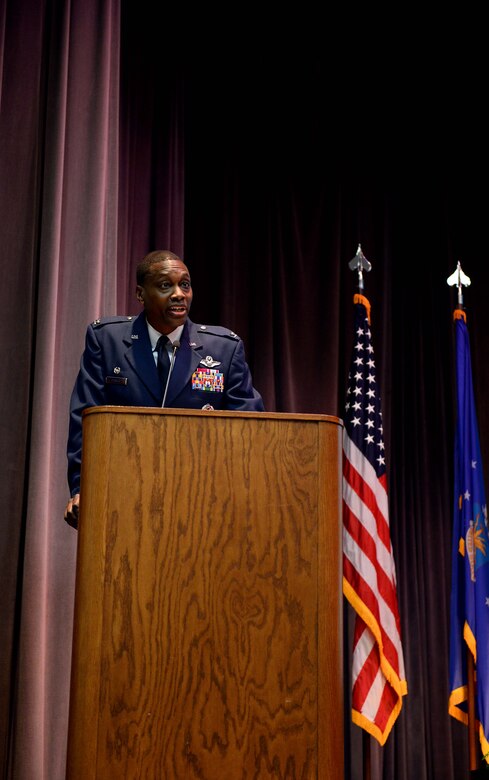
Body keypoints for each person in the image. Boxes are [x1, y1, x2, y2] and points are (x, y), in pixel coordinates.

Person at [64, 249, 264, 526]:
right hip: (124, 494)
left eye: (185, 284)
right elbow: (85, 421)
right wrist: (81, 488)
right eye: (164, 285)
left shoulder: (224, 348)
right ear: (140, 293)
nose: (179, 294)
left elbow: (250, 429)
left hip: (202, 499)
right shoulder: (106, 340)